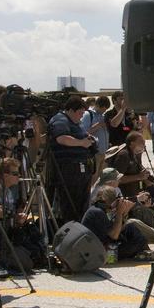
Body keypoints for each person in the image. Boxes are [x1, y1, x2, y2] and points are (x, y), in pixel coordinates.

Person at [46, 95, 97, 224]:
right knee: (70, 204)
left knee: (81, 204)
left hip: (80, 169)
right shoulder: (60, 120)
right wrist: (81, 142)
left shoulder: (74, 123)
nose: (81, 116)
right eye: (80, 113)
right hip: (69, 170)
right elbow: (61, 138)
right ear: (71, 110)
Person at [82, 186, 151, 262]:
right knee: (138, 241)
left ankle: (145, 252)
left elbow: (116, 228)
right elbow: (114, 235)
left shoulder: (98, 209)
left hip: (105, 246)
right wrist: (119, 212)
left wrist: (124, 214)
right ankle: (145, 253)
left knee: (130, 228)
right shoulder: (97, 212)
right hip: (101, 254)